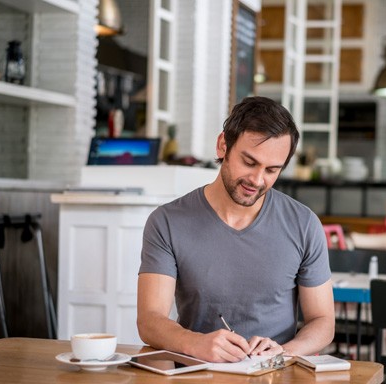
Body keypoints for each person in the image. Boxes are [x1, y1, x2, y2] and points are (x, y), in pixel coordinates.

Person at [137, 96, 335, 363]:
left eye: (272, 170)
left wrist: (284, 351)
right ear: (223, 146)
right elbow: (149, 321)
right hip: (196, 375)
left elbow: (323, 321)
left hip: (275, 376)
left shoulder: (304, 224)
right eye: (249, 162)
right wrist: (196, 343)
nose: (257, 180)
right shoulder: (167, 221)